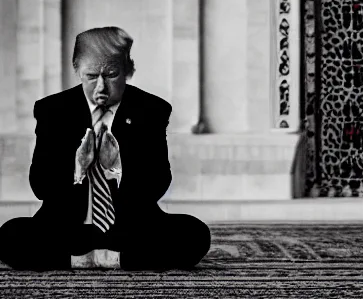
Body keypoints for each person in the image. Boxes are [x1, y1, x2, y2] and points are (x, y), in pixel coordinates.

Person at [0, 26, 211, 270]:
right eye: (91, 76)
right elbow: (40, 185)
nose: (101, 86)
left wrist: (117, 167)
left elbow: (158, 184)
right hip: (66, 227)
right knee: (9, 236)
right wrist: (77, 169)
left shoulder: (152, 109)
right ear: (77, 69)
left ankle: (109, 258)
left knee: (194, 234)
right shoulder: (52, 110)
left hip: (131, 227)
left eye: (111, 74)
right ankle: (85, 258)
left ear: (127, 71)